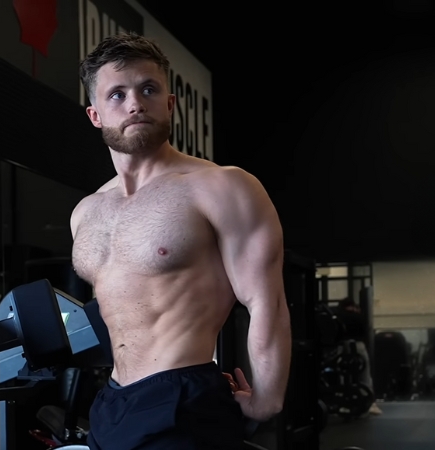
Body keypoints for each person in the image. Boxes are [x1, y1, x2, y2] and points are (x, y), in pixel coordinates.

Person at [70, 32, 292, 449]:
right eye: (117, 94)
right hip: (112, 402)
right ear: (95, 114)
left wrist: (268, 398)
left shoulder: (221, 187)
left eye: (148, 89)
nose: (135, 103)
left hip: (184, 399)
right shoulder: (86, 211)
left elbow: (266, 300)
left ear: (170, 104)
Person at [333, 298, 382, 416]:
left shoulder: (336, 315)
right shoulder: (357, 316)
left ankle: (341, 404)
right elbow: (364, 331)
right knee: (364, 375)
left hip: (340, 346)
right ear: (353, 306)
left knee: (341, 375)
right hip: (357, 345)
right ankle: (370, 403)